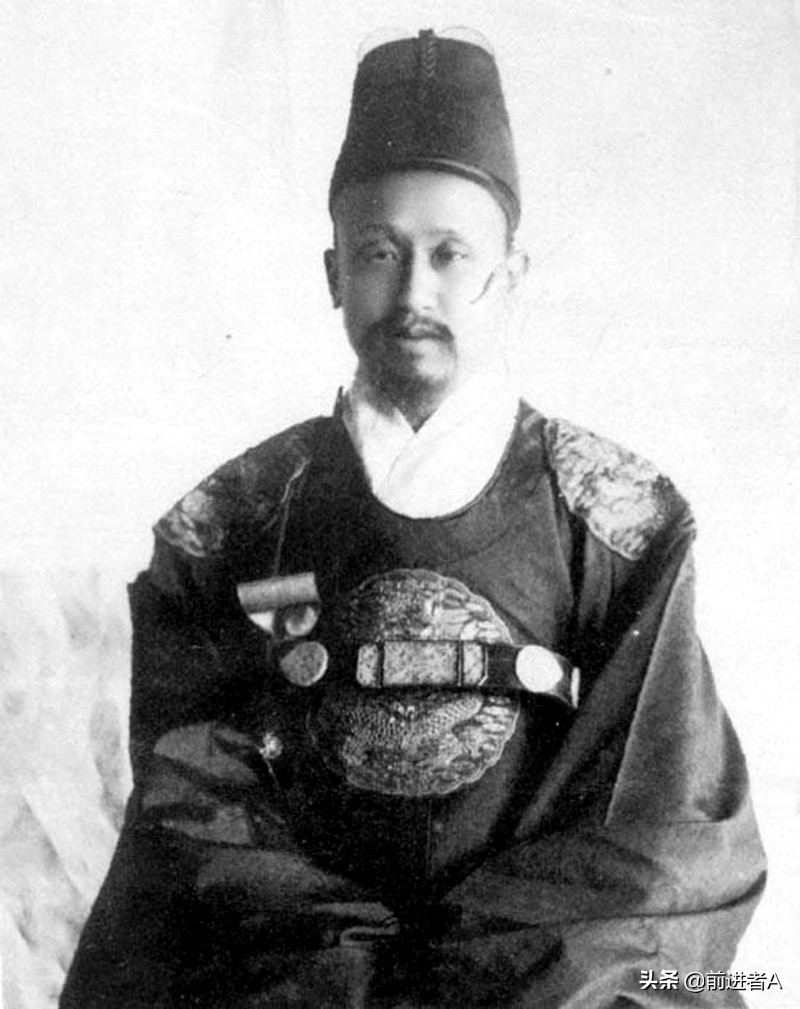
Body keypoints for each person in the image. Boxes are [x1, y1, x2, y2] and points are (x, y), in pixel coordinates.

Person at [61, 28, 765, 1009]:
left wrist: (473, 984)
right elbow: (198, 806)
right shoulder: (230, 524)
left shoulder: (618, 521)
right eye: (379, 254)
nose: (414, 293)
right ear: (332, 273)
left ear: (510, 275)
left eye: (450, 255)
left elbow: (657, 828)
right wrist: (353, 981)